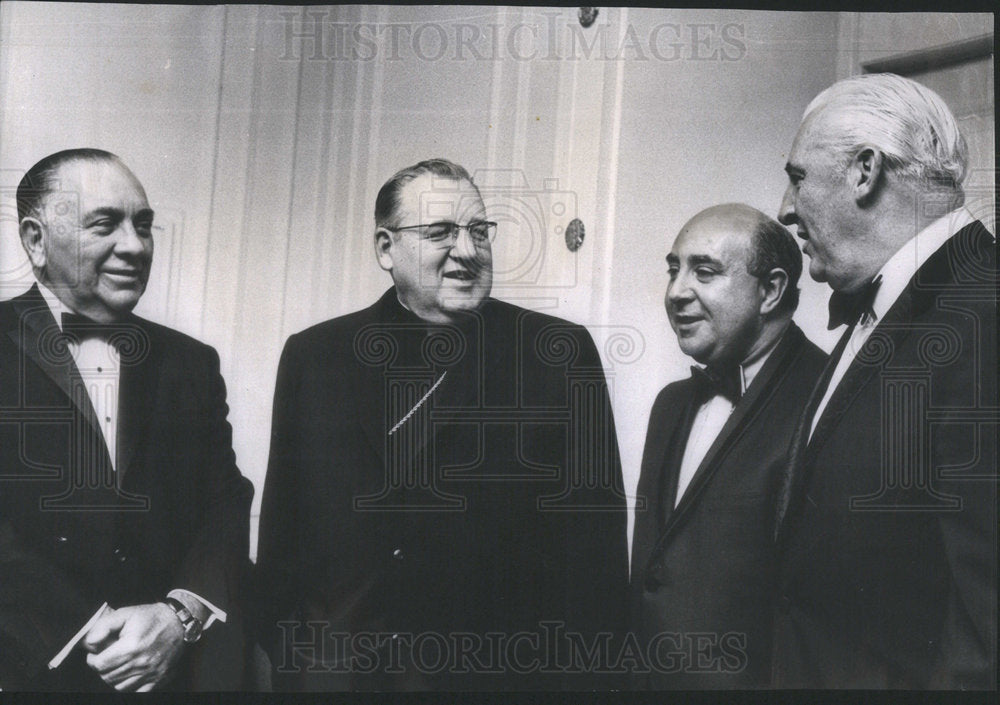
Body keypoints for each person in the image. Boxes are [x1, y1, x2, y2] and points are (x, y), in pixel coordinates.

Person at [256, 158, 628, 690]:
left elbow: (595, 562)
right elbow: (281, 538)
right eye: (441, 232)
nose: (468, 251)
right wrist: (298, 658)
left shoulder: (555, 353)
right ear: (386, 248)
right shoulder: (315, 356)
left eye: (479, 231)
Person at [772, 73, 997, 688]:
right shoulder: (891, 306)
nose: (785, 209)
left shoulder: (983, 313)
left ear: (865, 171)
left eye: (797, 177)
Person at [0, 149, 253, 691]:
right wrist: (85, 626)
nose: (136, 246)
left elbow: (226, 501)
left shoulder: (191, 362)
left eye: (143, 224)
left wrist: (180, 614)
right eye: (105, 224)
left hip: (173, 675)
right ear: (36, 240)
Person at [630, 204, 825, 688]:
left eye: (705, 271)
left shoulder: (828, 399)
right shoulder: (670, 403)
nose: (676, 291)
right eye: (674, 269)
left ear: (771, 291)